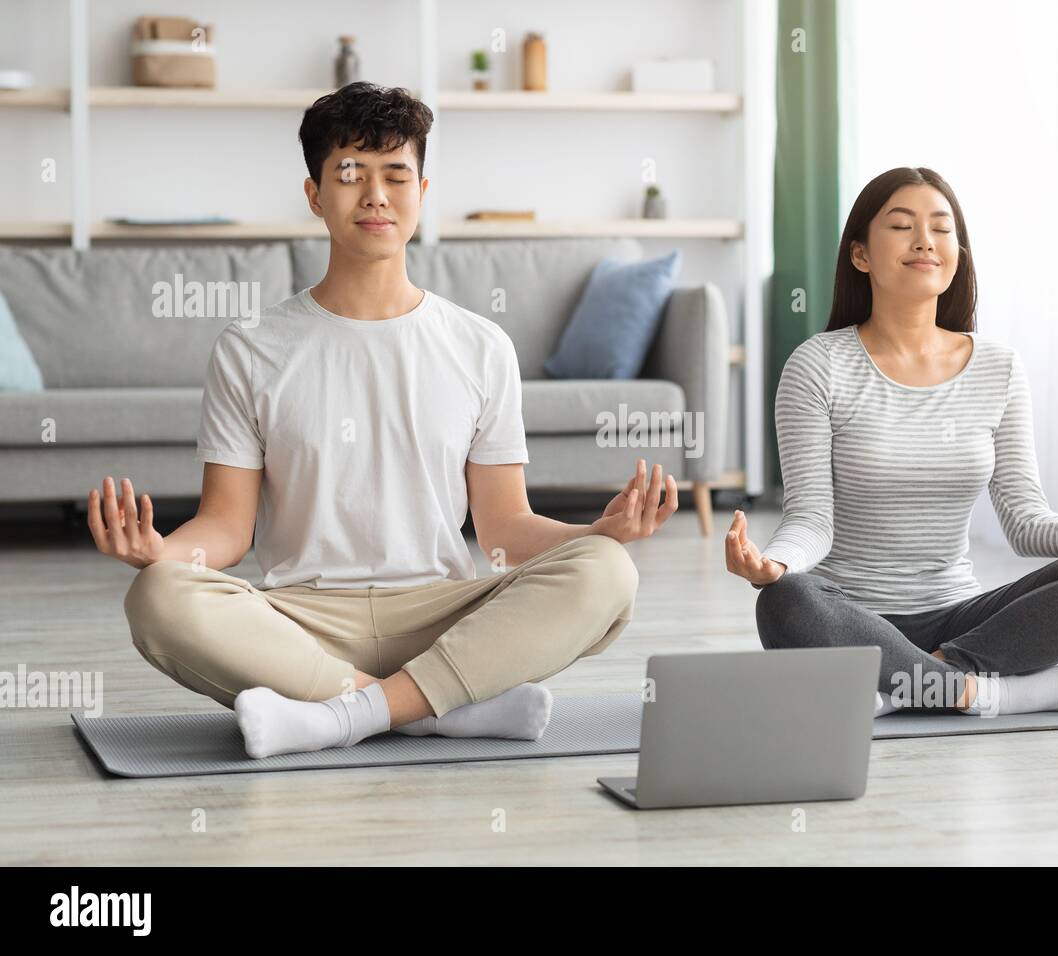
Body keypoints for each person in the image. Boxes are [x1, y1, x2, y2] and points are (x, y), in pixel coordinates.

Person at [89, 82, 678, 758]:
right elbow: (226, 526)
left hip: (441, 614)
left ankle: (343, 713)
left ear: (422, 193)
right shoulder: (250, 348)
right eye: (349, 174)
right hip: (300, 623)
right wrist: (158, 553)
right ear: (314, 195)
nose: (375, 195)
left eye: (396, 175)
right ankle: (435, 708)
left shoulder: (480, 346)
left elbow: (503, 531)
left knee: (606, 571)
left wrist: (596, 532)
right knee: (160, 597)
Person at [725, 166, 1058, 718]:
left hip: (964, 620)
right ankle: (998, 694)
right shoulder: (818, 365)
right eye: (902, 226)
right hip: (849, 615)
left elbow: (1029, 524)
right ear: (860, 254)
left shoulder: (997, 367)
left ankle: (912, 684)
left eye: (941, 227)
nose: (925, 241)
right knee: (788, 602)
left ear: (958, 253)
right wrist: (776, 564)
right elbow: (812, 519)